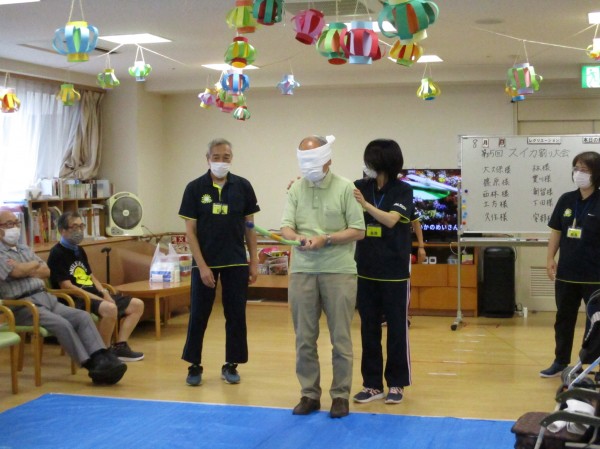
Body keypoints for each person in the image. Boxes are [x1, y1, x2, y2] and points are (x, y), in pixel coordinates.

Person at [281, 135, 365, 419]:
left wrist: (326, 239)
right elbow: (286, 227)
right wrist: (297, 238)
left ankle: (340, 395)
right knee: (304, 338)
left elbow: (358, 230)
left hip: (339, 271)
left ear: (328, 158)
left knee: (340, 338)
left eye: (313, 159)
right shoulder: (295, 189)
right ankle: (309, 394)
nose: (308, 166)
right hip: (302, 271)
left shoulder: (346, 187)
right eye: (303, 160)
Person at [0, 209, 127, 385]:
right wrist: (32, 266)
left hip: (44, 297)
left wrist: (26, 267)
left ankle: (101, 356)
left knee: (82, 317)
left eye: (16, 223)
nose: (14, 227)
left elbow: (46, 271)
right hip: (22, 305)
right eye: (9, 224)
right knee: (62, 324)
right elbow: (16, 272)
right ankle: (91, 364)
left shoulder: (23, 248)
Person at [179, 138, 260, 386]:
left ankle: (231, 364)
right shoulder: (195, 188)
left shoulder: (243, 186)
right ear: (208, 159)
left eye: (226, 157)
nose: (221, 161)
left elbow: (250, 227)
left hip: (236, 261)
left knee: (236, 315)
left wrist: (254, 260)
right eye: (216, 157)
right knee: (199, 314)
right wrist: (202, 266)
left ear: (231, 159)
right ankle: (194, 365)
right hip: (205, 262)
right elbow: (190, 232)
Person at [352, 139, 416, 404]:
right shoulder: (360, 186)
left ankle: (397, 383)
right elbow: (333, 193)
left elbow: (391, 220)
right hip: (365, 269)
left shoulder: (403, 190)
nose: (366, 165)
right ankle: (371, 384)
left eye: (370, 160)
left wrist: (366, 205)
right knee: (368, 329)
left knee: (397, 330)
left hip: (395, 272)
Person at [47, 211, 145, 362]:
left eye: (81, 226)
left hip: (93, 294)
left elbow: (91, 276)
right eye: (74, 227)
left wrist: (104, 293)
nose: (79, 231)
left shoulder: (79, 250)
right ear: (62, 230)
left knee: (137, 305)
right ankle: (103, 352)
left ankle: (120, 346)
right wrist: (97, 298)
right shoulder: (57, 253)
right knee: (110, 308)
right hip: (76, 298)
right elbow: (67, 286)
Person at [541, 151, 600, 377]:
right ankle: (560, 361)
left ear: (596, 173)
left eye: (585, 170)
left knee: (595, 322)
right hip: (567, 273)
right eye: (576, 169)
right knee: (564, 319)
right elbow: (556, 232)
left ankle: (588, 365)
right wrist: (550, 259)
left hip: (594, 275)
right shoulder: (566, 200)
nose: (579, 174)